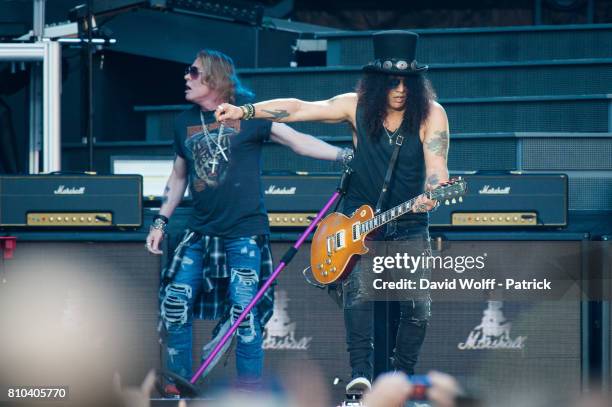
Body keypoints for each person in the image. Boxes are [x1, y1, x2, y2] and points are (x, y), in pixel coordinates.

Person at [215, 31, 449, 392]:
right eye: (391, 82)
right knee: (358, 297)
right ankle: (361, 375)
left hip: (409, 221)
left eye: (407, 82)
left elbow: (437, 165)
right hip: (357, 219)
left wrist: (434, 189)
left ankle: (400, 378)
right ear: (376, 83)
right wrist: (245, 111)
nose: (400, 89)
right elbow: (298, 108)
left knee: (418, 309)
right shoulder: (354, 106)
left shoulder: (431, 114)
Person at [145, 49, 351, 395]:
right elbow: (178, 177)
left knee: (245, 315)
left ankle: (248, 393)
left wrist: (346, 157)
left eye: (192, 72)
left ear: (213, 77)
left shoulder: (251, 115)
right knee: (175, 303)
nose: (185, 77)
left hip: (243, 234)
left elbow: (298, 142)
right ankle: (176, 386)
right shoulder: (183, 121)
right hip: (200, 233)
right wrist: (160, 221)